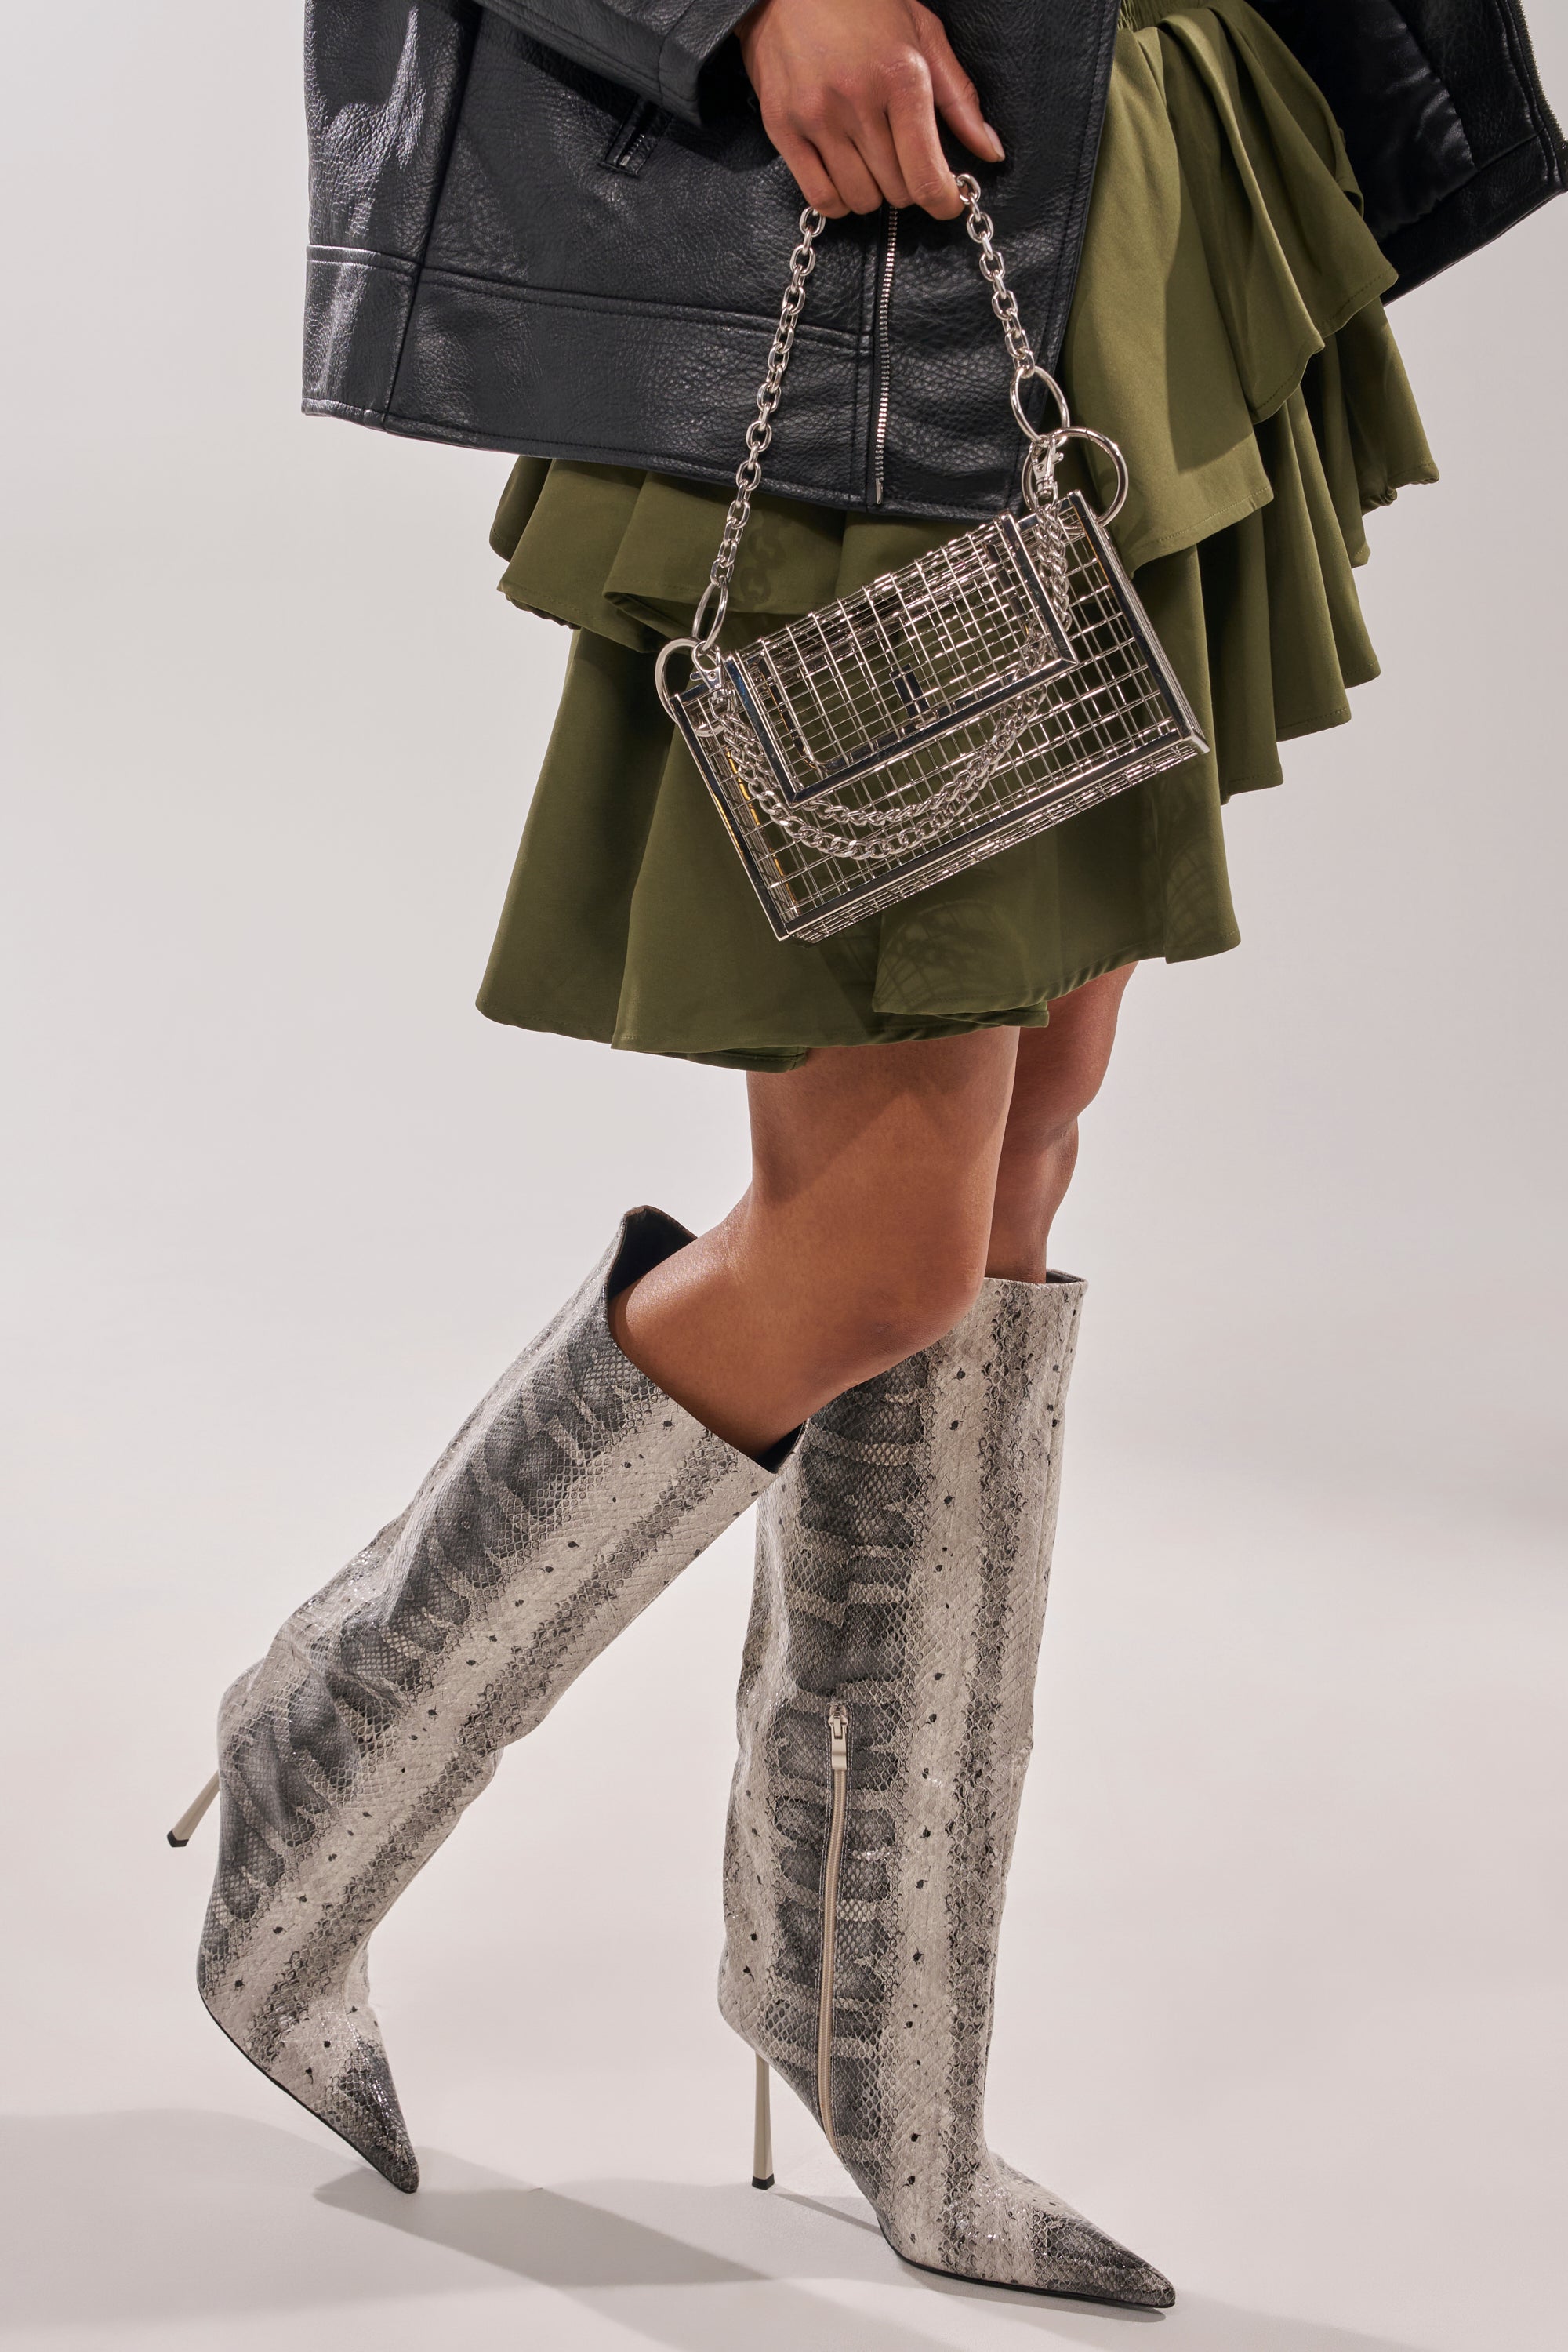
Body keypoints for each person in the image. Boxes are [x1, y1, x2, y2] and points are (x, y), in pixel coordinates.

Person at [172, 0, 1564, 2307]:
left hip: (1156, 171)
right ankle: (322, 1762)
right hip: (889, 212)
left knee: (1019, 1179)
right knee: (888, 1241)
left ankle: (880, 2024)